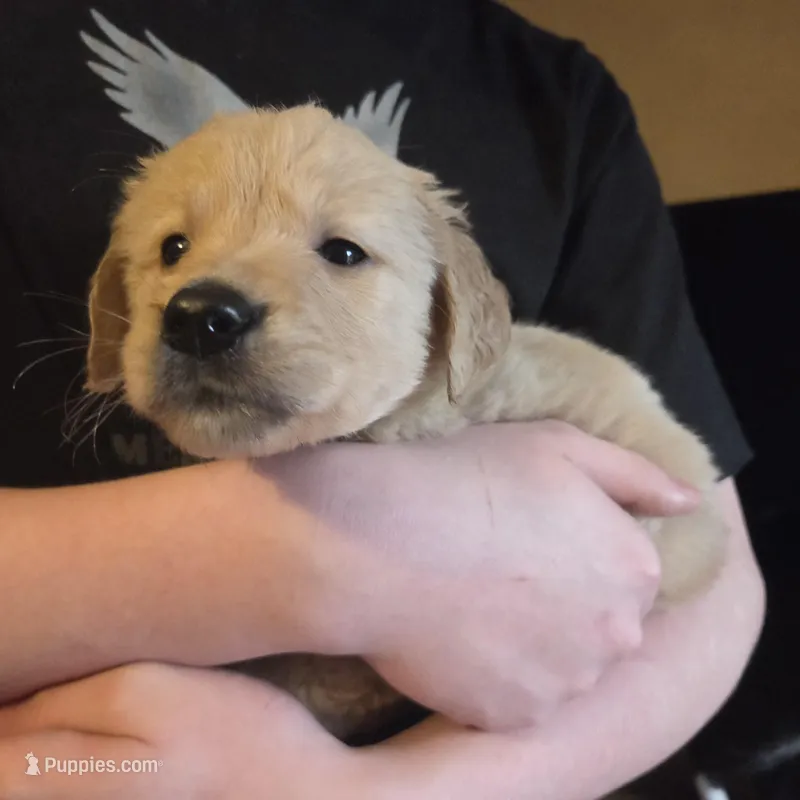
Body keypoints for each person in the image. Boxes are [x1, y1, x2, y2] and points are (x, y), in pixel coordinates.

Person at [0, 1, 764, 798]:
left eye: (342, 250)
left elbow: (706, 566)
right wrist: (325, 552)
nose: (199, 298)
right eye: (173, 248)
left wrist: (368, 791)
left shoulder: (551, 92)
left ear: (457, 307)